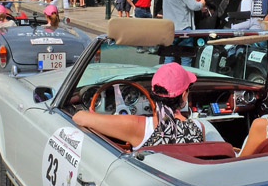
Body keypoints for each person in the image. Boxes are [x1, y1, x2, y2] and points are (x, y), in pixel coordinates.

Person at [73, 62, 205, 149]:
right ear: (183, 95)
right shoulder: (199, 128)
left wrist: (96, 116)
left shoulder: (137, 127)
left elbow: (79, 117)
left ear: (153, 92)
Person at [162, 0, 206, 66]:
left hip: (169, 28)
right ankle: (185, 81)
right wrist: (202, 4)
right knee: (186, 59)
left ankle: (166, 80)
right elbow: (193, 6)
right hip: (183, 28)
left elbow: (177, 1)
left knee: (169, 57)